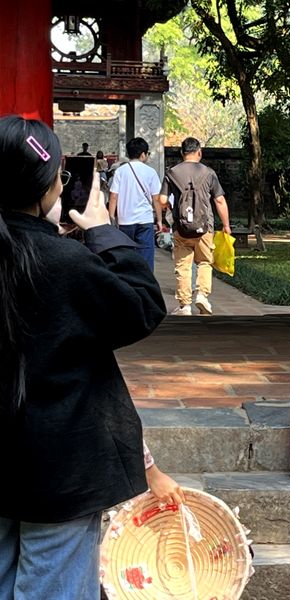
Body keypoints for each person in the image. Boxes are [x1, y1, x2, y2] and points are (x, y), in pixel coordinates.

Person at [0, 115, 184, 599]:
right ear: (47, 185)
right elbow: (141, 306)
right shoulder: (62, 262)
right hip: (61, 463)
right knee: (53, 583)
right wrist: (102, 230)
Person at [158, 137, 231, 316]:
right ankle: (202, 296)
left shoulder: (172, 172)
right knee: (205, 261)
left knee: (183, 265)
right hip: (205, 227)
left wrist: (170, 209)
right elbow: (219, 200)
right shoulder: (208, 172)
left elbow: (162, 200)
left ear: (182, 153)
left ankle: (184, 305)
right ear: (199, 152)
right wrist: (227, 225)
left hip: (181, 228)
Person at [109, 137, 161, 270]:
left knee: (126, 256)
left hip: (125, 220)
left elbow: (113, 196)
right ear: (143, 154)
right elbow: (156, 199)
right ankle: (146, 284)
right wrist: (159, 220)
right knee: (146, 257)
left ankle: (128, 283)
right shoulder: (151, 172)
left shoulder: (120, 171)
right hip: (145, 220)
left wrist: (111, 217)